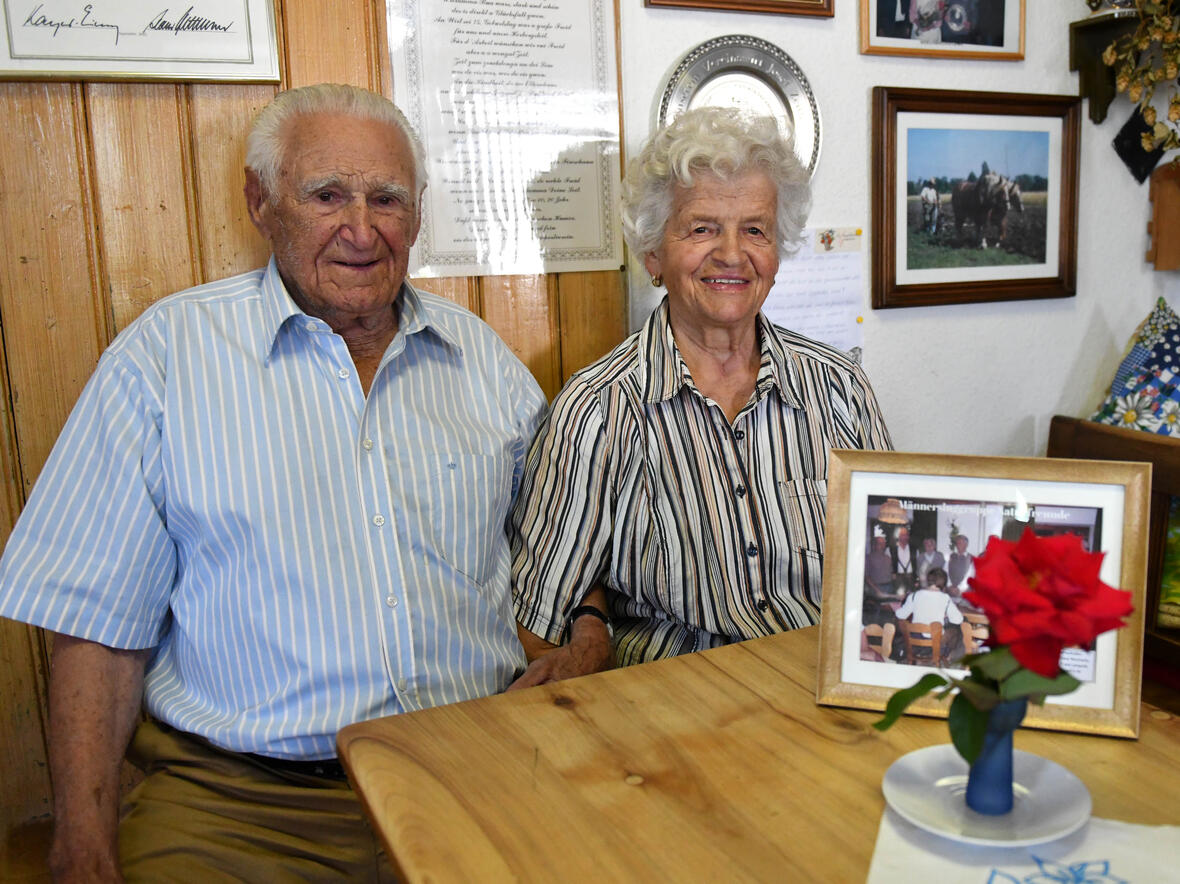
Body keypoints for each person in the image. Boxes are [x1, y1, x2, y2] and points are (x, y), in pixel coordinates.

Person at [0, 84, 547, 881]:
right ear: (261, 203)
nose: (361, 230)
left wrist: (584, 637)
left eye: (386, 199)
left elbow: (561, 545)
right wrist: (82, 844)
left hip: (473, 769)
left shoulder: (481, 359)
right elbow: (93, 622)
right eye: (327, 195)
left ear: (418, 212)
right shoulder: (166, 359)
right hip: (242, 803)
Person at [509, 107, 892, 685]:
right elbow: (540, 620)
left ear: (777, 251)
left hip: (828, 695)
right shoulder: (597, 409)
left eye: (755, 229)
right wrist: (591, 628)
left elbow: (893, 567)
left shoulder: (841, 388)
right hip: (678, 711)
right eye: (702, 227)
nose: (733, 254)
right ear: (653, 254)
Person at [895, 567, 964, 663]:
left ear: (928, 580)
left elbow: (900, 615)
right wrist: (946, 615)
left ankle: (920, 654)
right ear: (943, 582)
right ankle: (945, 655)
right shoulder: (945, 598)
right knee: (955, 631)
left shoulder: (914, 595)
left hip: (915, 642)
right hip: (935, 643)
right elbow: (958, 620)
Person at [891, 526, 917, 594]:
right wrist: (892, 574)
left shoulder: (914, 549)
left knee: (912, 596)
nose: (905, 537)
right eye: (902, 535)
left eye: (906, 535)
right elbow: (888, 565)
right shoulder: (891, 549)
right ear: (898, 536)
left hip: (911, 577)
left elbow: (917, 564)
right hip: (898, 578)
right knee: (900, 597)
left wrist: (916, 578)